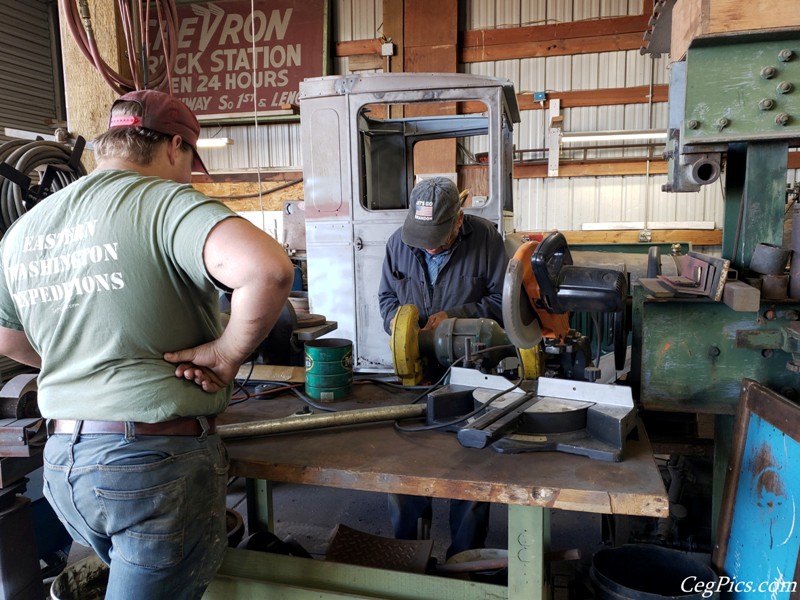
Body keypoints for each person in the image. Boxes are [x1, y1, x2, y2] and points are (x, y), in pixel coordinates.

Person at [0, 90, 294, 599]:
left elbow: (6, 336)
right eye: (189, 163)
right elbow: (267, 270)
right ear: (175, 146)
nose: (188, 176)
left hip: (66, 465)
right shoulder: (163, 201)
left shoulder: (28, 227)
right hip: (151, 464)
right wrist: (225, 355)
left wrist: (85, 361)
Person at [377, 176, 509, 559]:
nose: (428, 244)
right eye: (421, 233)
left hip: (473, 373)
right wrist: (401, 325)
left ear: (458, 219)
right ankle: (409, 554)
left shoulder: (487, 241)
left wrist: (452, 318)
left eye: (437, 233)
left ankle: (464, 560)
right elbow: (386, 297)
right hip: (415, 375)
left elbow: (503, 303)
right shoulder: (397, 243)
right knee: (407, 467)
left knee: (469, 470)